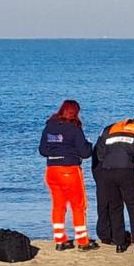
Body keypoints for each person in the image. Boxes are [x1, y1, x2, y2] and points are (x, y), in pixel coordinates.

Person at [38, 100, 98, 252]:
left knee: (58, 206)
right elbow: (85, 153)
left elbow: (43, 150)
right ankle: (82, 241)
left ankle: (60, 239)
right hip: (69, 169)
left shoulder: (49, 126)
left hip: (51, 170)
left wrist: (56, 150)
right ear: (75, 113)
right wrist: (89, 144)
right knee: (78, 205)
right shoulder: (73, 128)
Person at [95, 117, 134, 255]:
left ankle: (120, 243)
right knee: (133, 208)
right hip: (126, 172)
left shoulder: (111, 130)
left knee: (115, 208)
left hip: (108, 172)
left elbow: (100, 154)